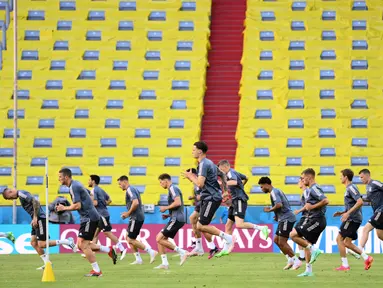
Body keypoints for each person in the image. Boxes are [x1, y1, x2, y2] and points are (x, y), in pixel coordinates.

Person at [56, 168, 117, 277]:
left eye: (60, 177)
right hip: (88, 216)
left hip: (89, 217)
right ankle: (108, 250)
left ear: (66, 177)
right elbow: (90, 194)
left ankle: (97, 271)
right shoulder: (76, 184)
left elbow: (77, 205)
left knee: (83, 245)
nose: (59, 179)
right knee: (81, 245)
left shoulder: (73, 187)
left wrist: (63, 208)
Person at [182, 141, 235, 256]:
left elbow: (200, 184)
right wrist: (225, 191)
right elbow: (223, 174)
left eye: (194, 149)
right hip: (207, 197)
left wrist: (191, 177)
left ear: (200, 151)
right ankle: (199, 247)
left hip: (211, 198)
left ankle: (227, 238)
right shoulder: (209, 162)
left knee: (201, 226)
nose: (192, 152)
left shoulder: (204, 164)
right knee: (193, 218)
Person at [2, 187, 76, 270]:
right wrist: (33, 218)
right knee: (33, 243)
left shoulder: (22, 194)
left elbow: (36, 202)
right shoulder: (21, 196)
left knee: (42, 244)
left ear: (11, 192)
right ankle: (47, 263)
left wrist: (35, 217)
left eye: (10, 197)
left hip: (40, 218)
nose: (12, 199)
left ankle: (67, 241)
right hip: (36, 219)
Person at [215, 160, 269, 258]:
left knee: (239, 224)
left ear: (225, 166)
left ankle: (262, 228)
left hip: (240, 200)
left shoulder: (231, 173)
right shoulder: (233, 172)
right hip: (234, 200)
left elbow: (235, 181)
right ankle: (225, 249)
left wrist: (222, 183)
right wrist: (241, 187)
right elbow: (246, 178)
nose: (220, 172)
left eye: (220, 169)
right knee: (228, 225)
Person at [290, 168, 329, 277]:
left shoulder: (314, 188)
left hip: (317, 220)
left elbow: (326, 200)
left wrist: (312, 206)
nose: (302, 180)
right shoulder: (311, 189)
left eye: (303, 178)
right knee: (307, 243)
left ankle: (315, 250)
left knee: (293, 235)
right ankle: (308, 270)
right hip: (315, 219)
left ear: (309, 177)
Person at [258, 177, 300, 270]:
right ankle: (290, 259)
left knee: (282, 242)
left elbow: (279, 205)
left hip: (287, 218)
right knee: (276, 240)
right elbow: (282, 205)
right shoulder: (276, 191)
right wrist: (277, 216)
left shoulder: (274, 192)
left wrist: (269, 210)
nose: (261, 189)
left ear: (266, 184)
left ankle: (296, 260)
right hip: (283, 218)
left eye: (261, 187)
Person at [118, 175, 157, 265]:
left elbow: (135, 203)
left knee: (131, 239)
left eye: (120, 184)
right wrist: (128, 213)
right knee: (127, 237)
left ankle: (151, 252)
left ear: (124, 182)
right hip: (135, 216)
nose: (120, 186)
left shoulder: (130, 189)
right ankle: (138, 259)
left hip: (136, 217)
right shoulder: (133, 189)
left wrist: (128, 213)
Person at [333, 169, 364, 271]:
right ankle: (367, 258)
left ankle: (345, 265)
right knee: (347, 242)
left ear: (346, 177)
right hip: (352, 217)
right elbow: (352, 204)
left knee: (339, 239)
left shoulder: (351, 187)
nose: (340, 178)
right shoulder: (348, 188)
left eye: (341, 176)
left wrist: (348, 213)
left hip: (352, 219)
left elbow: (360, 202)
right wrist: (342, 212)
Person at [88, 175, 126, 258]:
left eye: (89, 180)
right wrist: (103, 204)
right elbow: (109, 200)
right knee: (95, 234)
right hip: (100, 215)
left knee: (107, 233)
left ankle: (122, 248)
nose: (88, 181)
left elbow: (95, 203)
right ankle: (91, 252)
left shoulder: (94, 190)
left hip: (102, 215)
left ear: (93, 181)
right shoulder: (101, 190)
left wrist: (87, 204)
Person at [155, 173, 187, 269]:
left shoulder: (173, 188)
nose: (161, 185)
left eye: (161, 182)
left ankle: (182, 252)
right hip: (175, 217)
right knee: (160, 239)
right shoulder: (171, 189)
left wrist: (166, 208)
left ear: (166, 180)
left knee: (159, 239)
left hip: (177, 219)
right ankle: (165, 263)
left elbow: (178, 203)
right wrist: (169, 214)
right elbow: (178, 207)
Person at [187, 168, 219, 259]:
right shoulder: (195, 185)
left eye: (188, 176)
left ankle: (209, 246)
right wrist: (194, 197)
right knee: (194, 221)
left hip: (206, 205)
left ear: (193, 174)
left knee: (201, 226)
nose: (188, 178)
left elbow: (207, 194)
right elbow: (199, 196)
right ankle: (201, 246)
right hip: (200, 206)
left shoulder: (201, 182)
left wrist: (197, 197)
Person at [357, 169, 383, 270]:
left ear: (368, 176)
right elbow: (369, 198)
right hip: (378, 212)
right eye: (360, 177)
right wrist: (358, 197)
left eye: (362, 177)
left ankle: (360, 249)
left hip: (381, 211)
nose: (360, 179)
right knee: (380, 235)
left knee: (366, 229)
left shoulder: (374, 183)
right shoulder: (368, 187)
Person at [293, 178, 310, 268]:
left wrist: (299, 211)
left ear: (303, 182)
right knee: (297, 235)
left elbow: (308, 205)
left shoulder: (306, 192)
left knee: (296, 234)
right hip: (304, 217)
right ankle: (302, 256)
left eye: (299, 181)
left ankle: (308, 252)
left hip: (307, 217)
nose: (297, 183)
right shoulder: (304, 192)